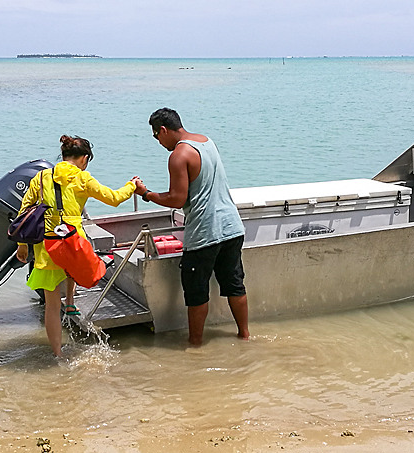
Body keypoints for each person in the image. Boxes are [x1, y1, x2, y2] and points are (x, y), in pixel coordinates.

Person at [134, 108, 249, 346]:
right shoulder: (207, 141)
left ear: (163, 130)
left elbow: (177, 199)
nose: (158, 141)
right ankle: (245, 335)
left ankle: (195, 344)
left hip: (205, 232)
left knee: (196, 292)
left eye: (156, 136)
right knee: (234, 284)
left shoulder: (178, 155)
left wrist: (146, 194)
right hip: (231, 226)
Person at [17, 135, 139, 357]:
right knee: (74, 263)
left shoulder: (42, 177)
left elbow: (25, 209)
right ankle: (72, 301)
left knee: (52, 306)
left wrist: (22, 245)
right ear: (84, 159)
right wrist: (132, 186)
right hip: (74, 242)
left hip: (48, 245)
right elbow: (113, 198)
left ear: (63, 157)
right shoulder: (83, 179)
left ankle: (57, 353)